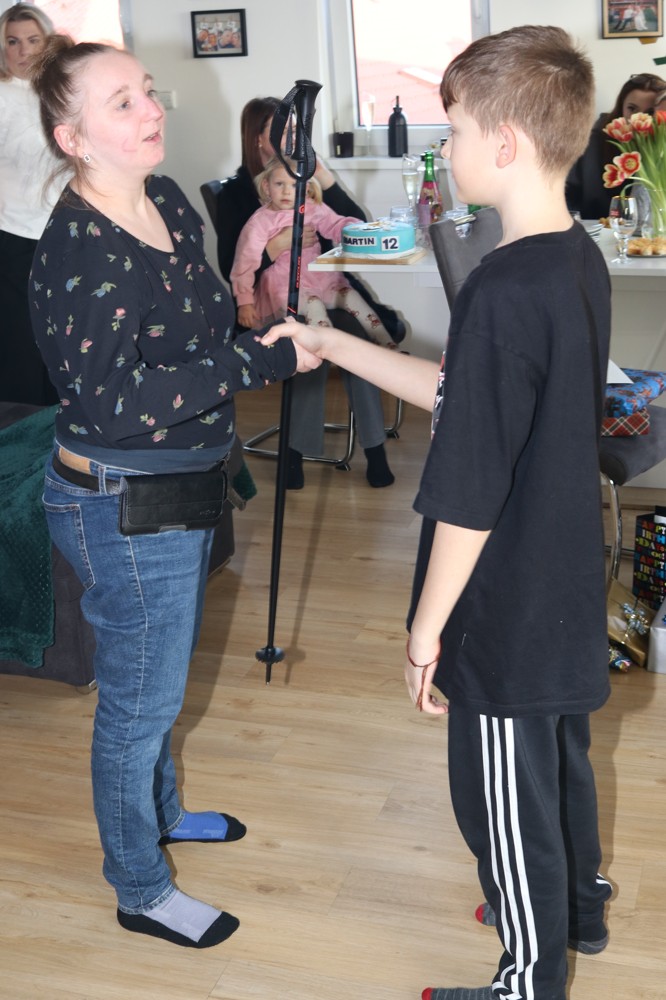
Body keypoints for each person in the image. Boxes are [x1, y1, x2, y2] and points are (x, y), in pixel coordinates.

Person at [262, 24, 612, 1000]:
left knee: (502, 798)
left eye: (452, 131)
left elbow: (469, 489)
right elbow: (469, 398)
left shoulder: (502, 287)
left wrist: (427, 632)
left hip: (504, 602)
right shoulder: (571, 259)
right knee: (557, 762)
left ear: (504, 142)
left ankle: (528, 979)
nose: (445, 149)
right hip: (562, 580)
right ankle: (577, 910)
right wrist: (336, 346)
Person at [29, 36, 319, 949]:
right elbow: (113, 406)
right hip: (121, 503)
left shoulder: (163, 201)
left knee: (157, 678)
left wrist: (264, 332)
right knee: (139, 705)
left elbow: (199, 333)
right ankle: (140, 887)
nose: (153, 110)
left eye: (148, 92)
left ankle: (161, 813)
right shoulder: (80, 251)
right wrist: (250, 365)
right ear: (72, 137)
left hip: (182, 484)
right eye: (122, 102)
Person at [216, 95, 401, 490]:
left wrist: (322, 174)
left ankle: (374, 450)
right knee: (311, 343)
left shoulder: (304, 179)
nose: (290, 140)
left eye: (293, 131)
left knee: (355, 342)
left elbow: (355, 227)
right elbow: (231, 263)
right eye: (279, 132)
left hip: (326, 290)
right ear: (257, 139)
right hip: (276, 301)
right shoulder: (237, 193)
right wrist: (278, 245)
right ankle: (297, 453)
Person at [231, 157, 395, 347]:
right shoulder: (260, 222)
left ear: (306, 188)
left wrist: (356, 230)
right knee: (314, 305)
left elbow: (334, 224)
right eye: (279, 184)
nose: (286, 191)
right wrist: (244, 301)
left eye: (295, 185)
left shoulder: (311, 208)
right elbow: (245, 262)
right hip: (284, 286)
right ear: (266, 187)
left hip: (321, 280)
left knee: (353, 298)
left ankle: (389, 348)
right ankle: (325, 349)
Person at [0, 2, 60, 405]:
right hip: (14, 233)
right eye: (12, 41)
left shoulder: (57, 92)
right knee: (21, 338)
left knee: (61, 332)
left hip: (63, 230)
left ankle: (62, 421)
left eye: (33, 40)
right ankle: (22, 425)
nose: (23, 50)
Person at [566, 70, 666, 220]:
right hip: (596, 229)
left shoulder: (661, 147)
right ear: (621, 108)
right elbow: (567, 196)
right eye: (632, 108)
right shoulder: (591, 142)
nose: (636, 118)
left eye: (650, 112)